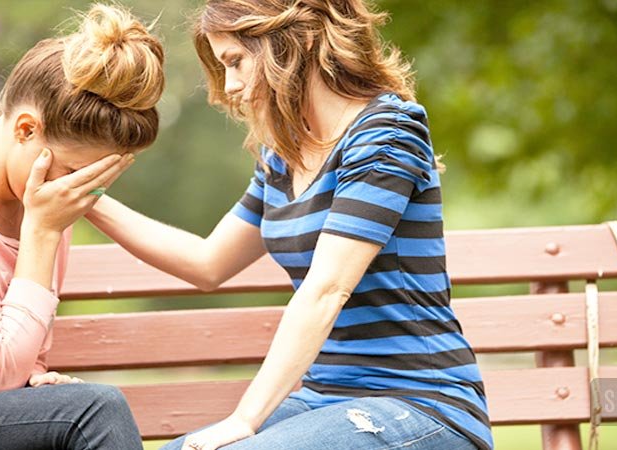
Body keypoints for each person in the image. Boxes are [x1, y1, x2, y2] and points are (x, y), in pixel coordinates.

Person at [87, 1, 493, 449]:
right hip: (325, 400)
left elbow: (326, 290)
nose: (231, 86)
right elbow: (206, 263)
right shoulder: (285, 157)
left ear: (290, 43)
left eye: (236, 61)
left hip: (422, 404)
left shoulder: (386, 134)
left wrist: (245, 419)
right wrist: (86, 198)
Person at [0, 4, 165, 449]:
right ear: (27, 129)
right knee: (95, 410)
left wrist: (37, 380)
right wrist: (42, 233)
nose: (80, 193)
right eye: (75, 173)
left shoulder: (44, 197)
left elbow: (15, 368)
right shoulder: (47, 215)